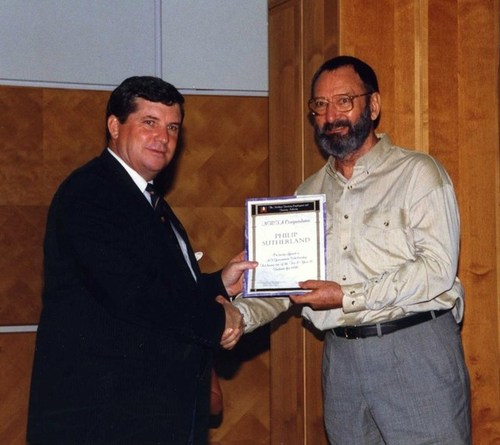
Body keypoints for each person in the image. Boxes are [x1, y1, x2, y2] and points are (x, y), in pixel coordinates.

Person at [233, 55, 471, 445]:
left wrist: (346, 296)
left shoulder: (418, 174)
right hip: (341, 362)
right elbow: (283, 284)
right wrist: (238, 315)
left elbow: (437, 270)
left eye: (344, 101)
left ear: (372, 106)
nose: (331, 115)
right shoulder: (306, 194)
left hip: (415, 350)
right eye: (320, 105)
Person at [27, 76, 256, 445]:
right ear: (114, 126)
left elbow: (159, 284)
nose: (162, 138)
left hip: (146, 415)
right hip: (104, 420)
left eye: (172, 127)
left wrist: (218, 284)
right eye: (149, 122)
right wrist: (217, 319)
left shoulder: (148, 201)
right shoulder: (90, 195)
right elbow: (134, 294)